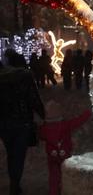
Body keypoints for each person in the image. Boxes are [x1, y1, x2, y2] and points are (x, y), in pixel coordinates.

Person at [0, 49, 45, 195]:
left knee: (11, 152)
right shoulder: (25, 76)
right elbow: (33, 98)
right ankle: (15, 183)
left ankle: (14, 181)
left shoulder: (2, 77)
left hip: (4, 121)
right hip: (23, 121)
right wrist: (44, 114)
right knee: (18, 154)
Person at [39, 100, 92, 195]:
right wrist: (88, 113)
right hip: (65, 153)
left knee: (53, 176)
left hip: (52, 156)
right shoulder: (65, 125)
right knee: (65, 174)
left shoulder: (44, 128)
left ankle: (54, 192)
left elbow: (41, 136)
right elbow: (78, 121)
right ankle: (65, 189)